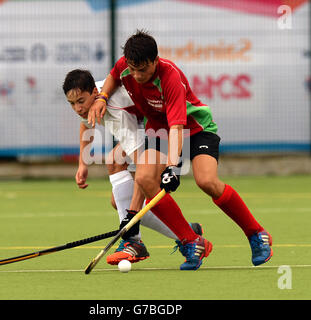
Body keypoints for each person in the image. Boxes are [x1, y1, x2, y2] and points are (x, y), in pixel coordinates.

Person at [88, 30, 273, 270]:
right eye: (133, 69)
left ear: (155, 61)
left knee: (207, 181)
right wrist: (102, 97)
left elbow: (177, 127)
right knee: (144, 178)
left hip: (195, 129)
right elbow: (114, 76)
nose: (136, 75)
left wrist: (171, 167)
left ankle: (256, 233)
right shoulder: (127, 65)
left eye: (142, 70)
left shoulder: (170, 77)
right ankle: (191, 241)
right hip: (159, 131)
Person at [62, 69, 203, 265]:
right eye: (72, 104)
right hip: (146, 129)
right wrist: (82, 164)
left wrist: (130, 220)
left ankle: (134, 242)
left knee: (124, 177)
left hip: (171, 131)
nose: (77, 109)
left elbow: (142, 164)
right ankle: (187, 233)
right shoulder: (92, 100)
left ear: (95, 92)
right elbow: (86, 124)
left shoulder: (115, 109)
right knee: (119, 200)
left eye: (80, 102)